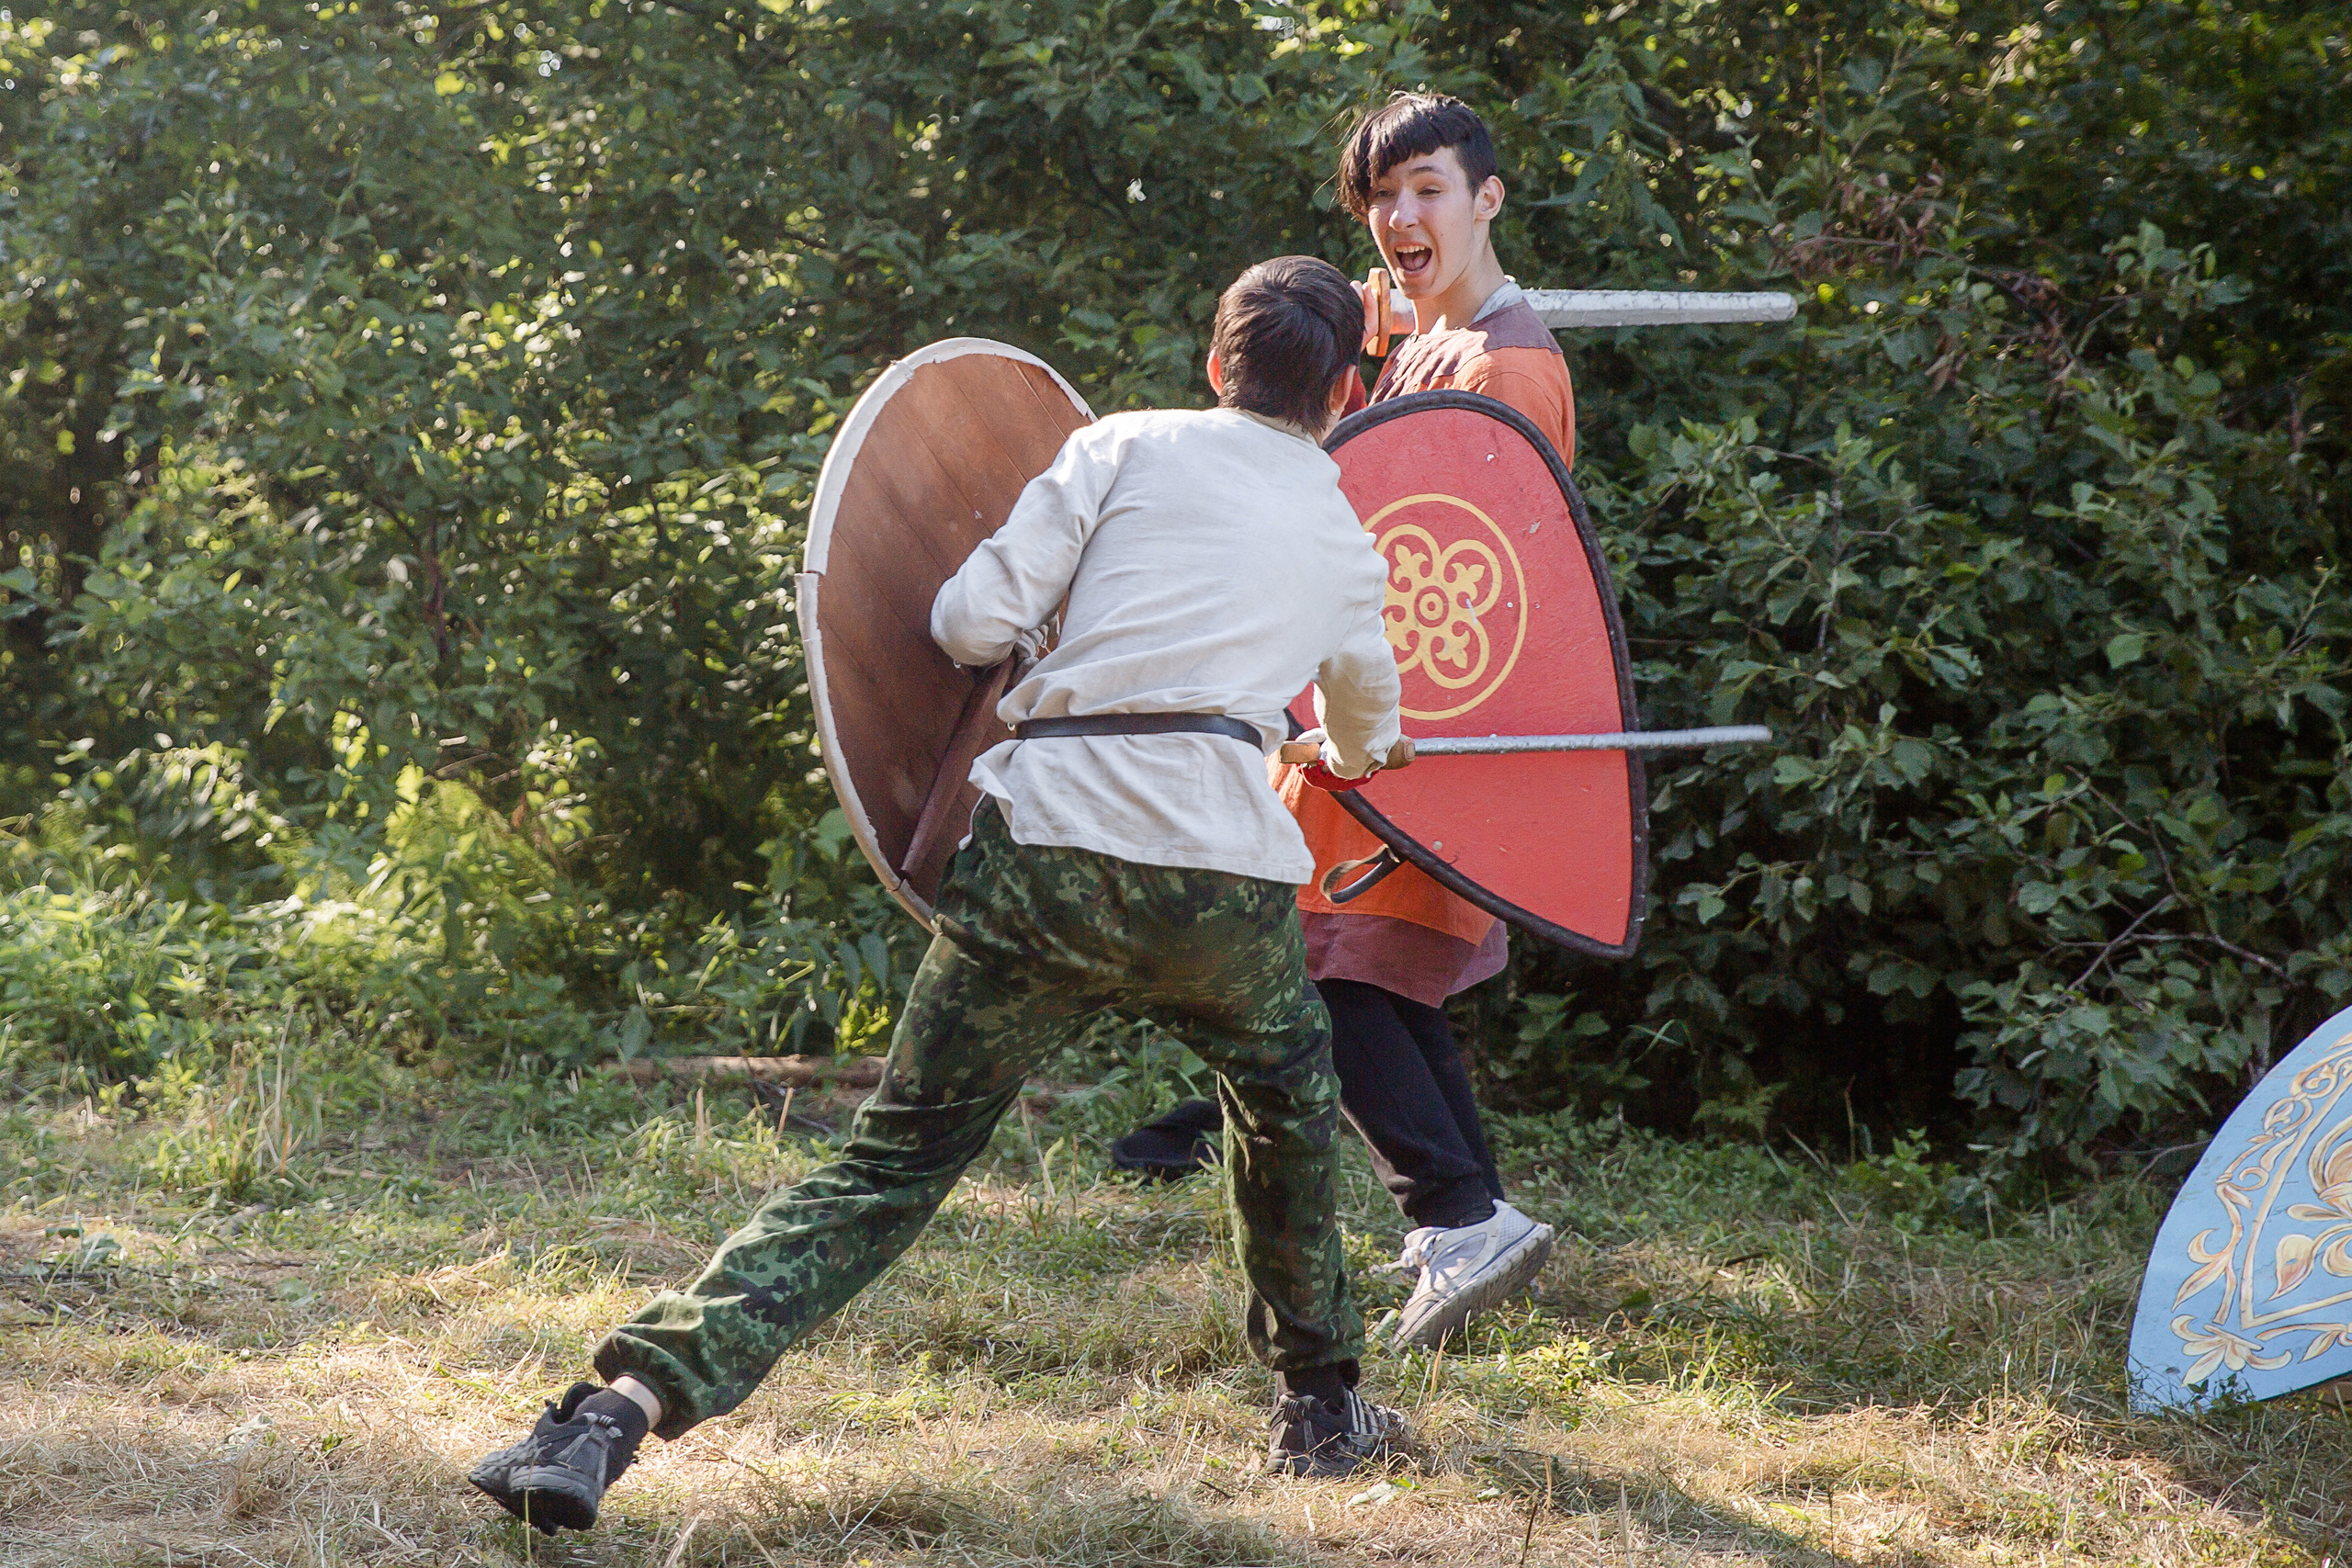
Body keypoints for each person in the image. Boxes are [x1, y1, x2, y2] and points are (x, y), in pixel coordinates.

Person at [468, 255, 1418, 1536]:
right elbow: (1363, 735)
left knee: (892, 1160)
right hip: (1219, 884)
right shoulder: (1348, 541)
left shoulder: (1124, 447)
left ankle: (612, 1414)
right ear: (1347, 390)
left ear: (1214, 365)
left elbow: (971, 624)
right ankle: (1320, 1408)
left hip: (1051, 855)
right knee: (1290, 1105)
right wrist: (1329, 745)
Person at [1114, 93, 1571, 1353]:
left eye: (1429, 189)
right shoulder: (1428, 340)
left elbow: (1471, 581)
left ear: (1488, 196)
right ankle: (1475, 1232)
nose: (1401, 218)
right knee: (1386, 981)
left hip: (1407, 723)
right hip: (1366, 719)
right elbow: (1317, 345)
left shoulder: (1505, 367)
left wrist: (1338, 715)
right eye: (1382, 199)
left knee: (1325, 969)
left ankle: (1456, 1214)